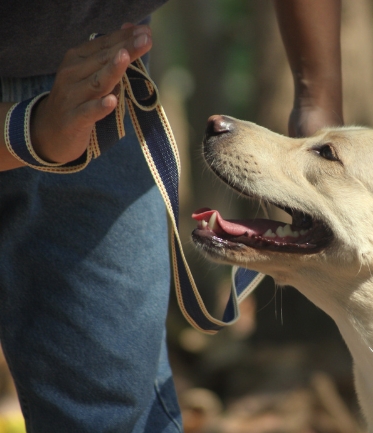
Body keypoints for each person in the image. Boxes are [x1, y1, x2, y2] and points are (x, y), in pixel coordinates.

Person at [0, 1, 343, 431]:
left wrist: (318, 105)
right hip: (71, 103)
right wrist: (31, 133)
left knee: (119, 411)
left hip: (96, 85)